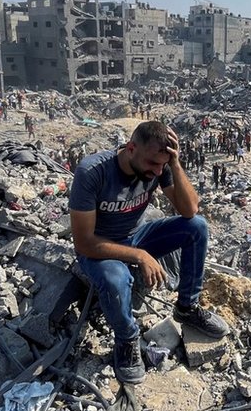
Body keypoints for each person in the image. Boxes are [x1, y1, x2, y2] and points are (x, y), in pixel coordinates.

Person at [69, 121, 229, 384]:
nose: (156, 171)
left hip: (137, 235)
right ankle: (126, 339)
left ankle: (187, 308)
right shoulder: (93, 172)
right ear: (131, 148)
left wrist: (174, 164)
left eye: (161, 165)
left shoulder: (159, 166)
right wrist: (140, 256)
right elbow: (84, 243)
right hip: (100, 247)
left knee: (197, 227)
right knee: (114, 279)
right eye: (152, 163)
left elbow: (189, 210)